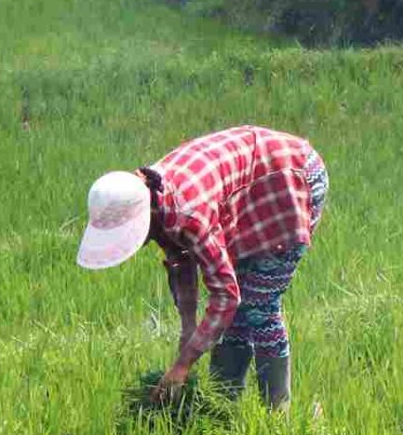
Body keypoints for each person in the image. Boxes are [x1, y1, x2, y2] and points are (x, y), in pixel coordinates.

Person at [77, 126, 328, 408]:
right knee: (236, 312)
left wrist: (183, 365)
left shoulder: (189, 213)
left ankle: (278, 415)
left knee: (259, 305)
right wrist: (188, 329)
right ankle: (222, 407)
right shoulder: (155, 200)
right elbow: (180, 257)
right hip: (249, 188)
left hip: (289, 178)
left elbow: (226, 295)